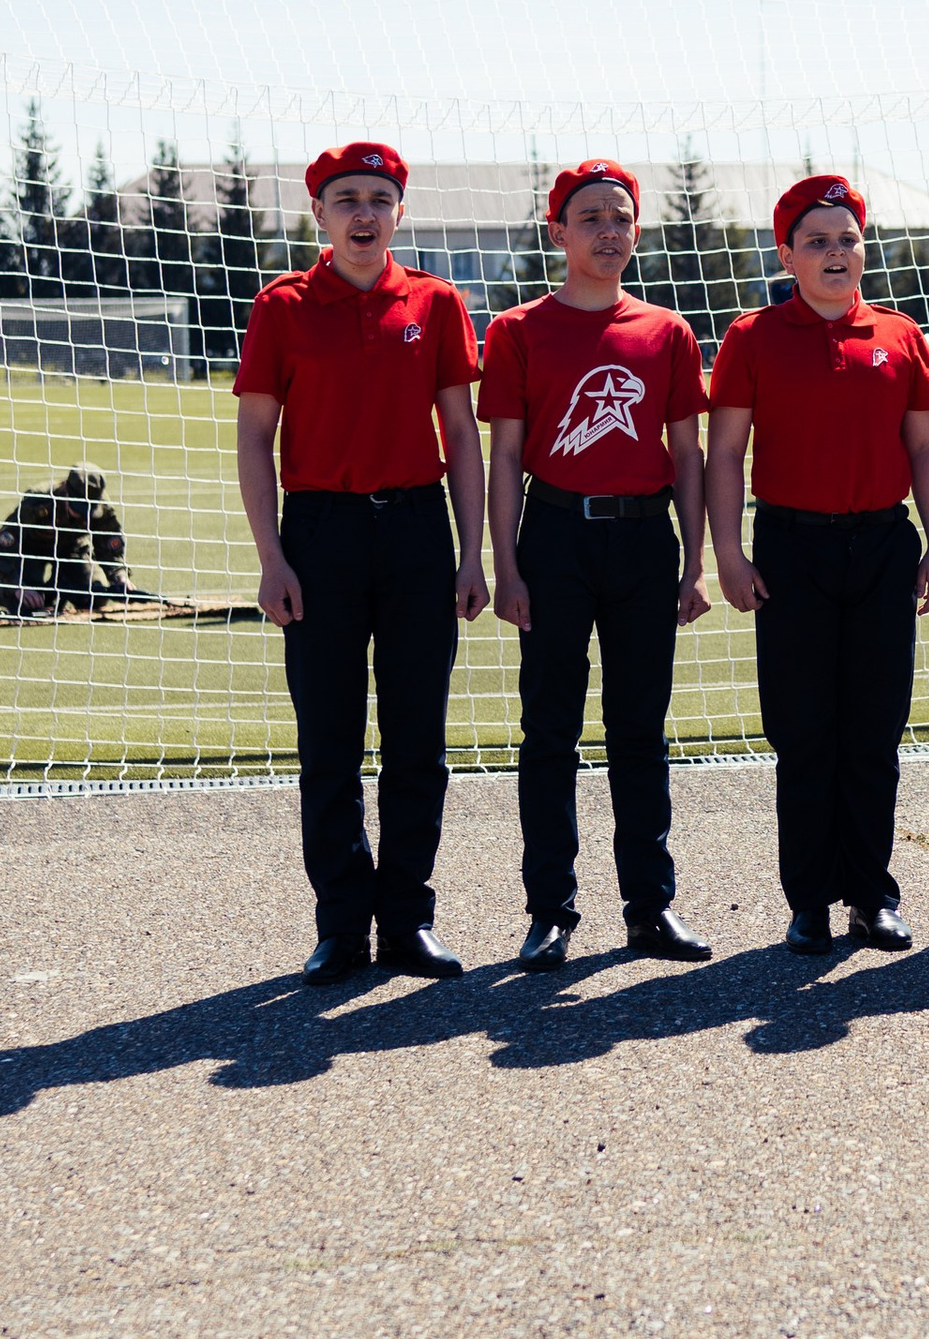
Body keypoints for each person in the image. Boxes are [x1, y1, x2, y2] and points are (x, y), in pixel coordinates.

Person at [233, 139, 487, 980]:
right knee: (329, 743)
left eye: (379, 197)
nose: (364, 212)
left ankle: (408, 920)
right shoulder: (283, 305)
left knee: (418, 739)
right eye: (346, 198)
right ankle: (342, 924)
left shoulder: (439, 302)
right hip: (321, 536)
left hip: (416, 532)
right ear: (320, 214)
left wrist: (471, 554)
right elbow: (256, 440)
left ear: (400, 211)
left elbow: (460, 436)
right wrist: (272, 558)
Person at [708, 175, 929, 955]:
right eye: (816, 241)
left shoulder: (899, 335)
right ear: (786, 254)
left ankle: (872, 896)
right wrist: (727, 554)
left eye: (846, 238)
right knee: (804, 731)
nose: (835, 253)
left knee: (874, 731)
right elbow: (726, 455)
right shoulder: (752, 337)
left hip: (883, 546)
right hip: (792, 550)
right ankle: (809, 900)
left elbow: (925, 447)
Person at [481, 162, 713, 972]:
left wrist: (694, 563)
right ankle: (550, 911)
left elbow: (687, 455)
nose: (607, 231)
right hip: (554, 536)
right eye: (590, 218)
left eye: (621, 218)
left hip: (645, 542)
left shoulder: (667, 333)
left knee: (639, 731)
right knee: (549, 730)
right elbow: (505, 456)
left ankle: (650, 908)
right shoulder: (517, 330)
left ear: (637, 232)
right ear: (559, 233)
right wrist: (505, 566)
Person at [0, 466, 137, 615]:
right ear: (66, 491)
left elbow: (109, 544)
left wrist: (120, 576)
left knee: (96, 597)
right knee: (27, 604)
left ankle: (57, 589)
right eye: (78, 508)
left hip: (71, 549)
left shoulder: (101, 507)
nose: (82, 515)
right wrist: (17, 585)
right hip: (30, 551)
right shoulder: (37, 502)